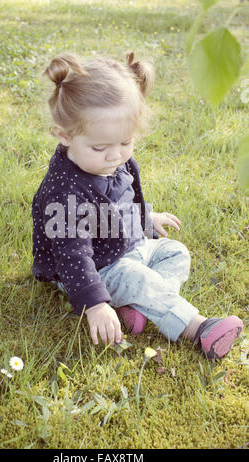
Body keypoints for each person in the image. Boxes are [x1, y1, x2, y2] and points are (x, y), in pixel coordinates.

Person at [31, 52, 243, 360]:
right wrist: (95, 305)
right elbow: (71, 254)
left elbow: (122, 201)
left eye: (125, 142)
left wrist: (146, 218)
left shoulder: (114, 161)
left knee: (175, 252)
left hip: (126, 247)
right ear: (65, 136)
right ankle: (200, 329)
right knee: (136, 277)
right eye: (100, 147)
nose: (115, 156)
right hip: (93, 269)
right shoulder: (65, 193)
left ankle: (138, 307)